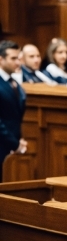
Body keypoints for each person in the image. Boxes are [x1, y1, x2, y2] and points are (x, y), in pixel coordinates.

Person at [0, 40, 27, 182]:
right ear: (1, 59)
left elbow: (16, 116)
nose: (18, 62)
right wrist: (14, 143)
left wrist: (19, 140)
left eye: (19, 58)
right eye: (13, 58)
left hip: (11, 146)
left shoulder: (14, 82)